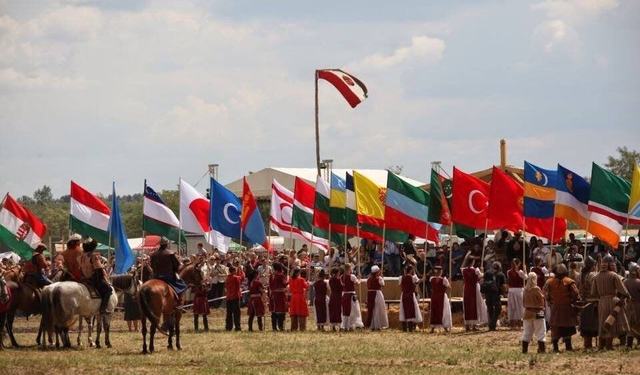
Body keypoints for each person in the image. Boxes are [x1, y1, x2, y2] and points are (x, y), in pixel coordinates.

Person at [592, 255, 630, 350]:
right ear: (611, 265)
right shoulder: (614, 275)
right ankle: (609, 345)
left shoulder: (596, 276)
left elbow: (593, 292)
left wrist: (601, 297)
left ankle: (601, 345)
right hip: (613, 300)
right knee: (611, 322)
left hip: (602, 301)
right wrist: (628, 295)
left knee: (603, 322)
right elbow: (622, 289)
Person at [544, 263, 579, 352]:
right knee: (566, 326)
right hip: (566, 307)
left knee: (555, 327)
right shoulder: (569, 281)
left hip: (555, 307)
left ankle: (555, 347)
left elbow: (544, 292)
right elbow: (575, 293)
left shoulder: (550, 282)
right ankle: (568, 347)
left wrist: (549, 301)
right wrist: (572, 302)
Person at [78, 238, 112, 314]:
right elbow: (99, 270)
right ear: (93, 247)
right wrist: (104, 278)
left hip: (85, 280)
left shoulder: (80, 257)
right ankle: (103, 309)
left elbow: (80, 270)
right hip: (95, 280)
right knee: (108, 289)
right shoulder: (93, 256)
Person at [577, 256, 599, 350]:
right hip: (592, 302)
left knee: (585, 324)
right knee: (592, 324)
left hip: (583, 301)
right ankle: (589, 344)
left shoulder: (579, 275)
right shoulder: (592, 276)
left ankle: (587, 344)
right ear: (592, 265)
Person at [461, 254, 487, 331]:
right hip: (474, 288)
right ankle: (475, 324)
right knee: (475, 305)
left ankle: (467, 325)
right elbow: (482, 277)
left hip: (466, 288)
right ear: (473, 262)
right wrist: (482, 271)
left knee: (467, 305)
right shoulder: (476, 270)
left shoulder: (463, 270)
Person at [522, 272, 546, 353]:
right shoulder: (536, 289)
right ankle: (542, 350)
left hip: (527, 312)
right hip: (537, 312)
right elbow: (541, 299)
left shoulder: (525, 289)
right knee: (541, 332)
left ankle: (524, 350)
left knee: (527, 332)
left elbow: (524, 302)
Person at [483, 261, 506, 331]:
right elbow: (504, 286)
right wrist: (504, 293)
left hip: (487, 293)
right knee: (498, 309)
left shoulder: (487, 273)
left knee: (490, 308)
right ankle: (492, 324)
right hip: (496, 293)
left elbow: (484, 281)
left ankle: (492, 326)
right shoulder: (501, 274)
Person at [399, 265, 423, 332]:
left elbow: (401, 286)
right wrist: (422, 279)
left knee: (404, 310)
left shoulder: (401, 277)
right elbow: (416, 283)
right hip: (410, 295)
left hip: (403, 294)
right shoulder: (413, 277)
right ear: (411, 270)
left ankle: (404, 329)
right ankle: (410, 329)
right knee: (411, 310)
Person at [341, 263, 364, 330]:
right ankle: (351, 325)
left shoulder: (342, 277)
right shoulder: (352, 276)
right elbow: (357, 284)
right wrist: (359, 279)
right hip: (351, 295)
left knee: (346, 310)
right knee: (353, 310)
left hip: (345, 295)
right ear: (349, 269)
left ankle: (347, 325)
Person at [429, 265, 452, 333]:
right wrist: (448, 282)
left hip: (434, 296)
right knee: (443, 311)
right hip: (441, 296)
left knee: (434, 311)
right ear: (441, 272)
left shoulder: (431, 278)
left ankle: (432, 328)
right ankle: (445, 327)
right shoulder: (444, 279)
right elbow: (449, 288)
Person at [365, 265, 388, 331]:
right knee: (378, 309)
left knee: (372, 310)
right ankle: (377, 325)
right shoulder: (379, 278)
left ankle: (373, 325)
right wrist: (382, 279)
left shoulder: (368, 279)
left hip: (370, 294)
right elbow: (382, 284)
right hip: (377, 294)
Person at [623, 262, 640, 348]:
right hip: (637, 306)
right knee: (637, 324)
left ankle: (629, 344)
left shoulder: (625, 282)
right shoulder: (638, 282)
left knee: (630, 325)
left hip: (628, 306)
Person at [507, 258, 527, 329]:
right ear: (518, 264)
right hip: (518, 291)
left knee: (512, 307)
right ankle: (519, 324)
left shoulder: (508, 271)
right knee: (519, 307)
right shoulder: (520, 272)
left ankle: (512, 325)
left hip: (511, 291)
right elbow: (526, 278)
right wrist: (525, 270)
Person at [269, 262, 288, 331]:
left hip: (273, 294)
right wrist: (289, 280)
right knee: (281, 311)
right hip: (280, 295)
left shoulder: (271, 275)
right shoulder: (281, 275)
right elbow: (284, 284)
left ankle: (274, 327)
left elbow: (270, 286)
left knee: (274, 312)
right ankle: (281, 327)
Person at [328, 267, 343, 331]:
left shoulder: (330, 279)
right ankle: (340, 326)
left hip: (332, 296)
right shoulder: (339, 279)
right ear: (338, 272)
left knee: (333, 310)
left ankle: (333, 326)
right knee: (338, 310)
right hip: (338, 296)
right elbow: (341, 287)